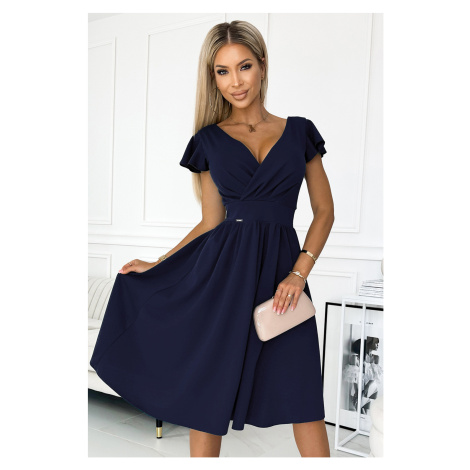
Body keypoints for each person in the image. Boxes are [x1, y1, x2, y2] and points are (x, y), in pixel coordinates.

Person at [90, 20, 334, 458]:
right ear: (213, 77)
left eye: (244, 66)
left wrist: (299, 274)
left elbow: (324, 212)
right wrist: (158, 264)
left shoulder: (300, 132)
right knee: (207, 398)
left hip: (285, 280)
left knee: (304, 400)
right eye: (223, 71)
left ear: (262, 65)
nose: (235, 81)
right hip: (223, 280)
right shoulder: (208, 141)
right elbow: (210, 222)